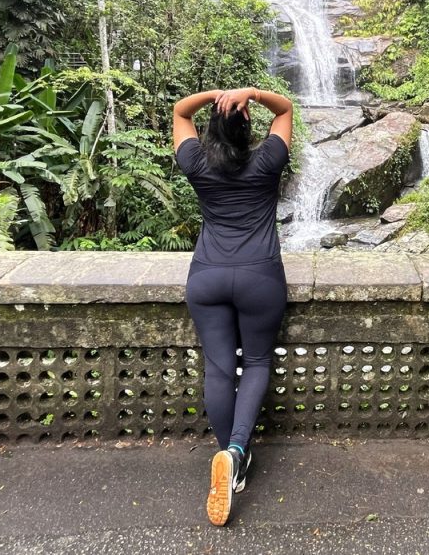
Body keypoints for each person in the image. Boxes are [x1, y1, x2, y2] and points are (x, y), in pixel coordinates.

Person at [172, 86, 294, 527]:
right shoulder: (267, 161)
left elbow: (179, 112)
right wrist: (251, 94)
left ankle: (227, 457)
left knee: (219, 368)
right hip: (260, 277)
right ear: (248, 132)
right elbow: (286, 109)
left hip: (206, 277)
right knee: (257, 361)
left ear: (212, 132)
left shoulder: (197, 164)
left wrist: (214, 97)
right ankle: (238, 452)